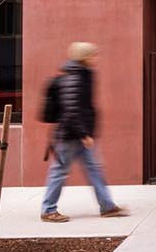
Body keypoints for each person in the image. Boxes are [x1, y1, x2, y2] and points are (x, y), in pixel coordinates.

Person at [39, 41, 128, 223]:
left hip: (80, 135)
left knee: (94, 170)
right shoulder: (75, 78)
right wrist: (83, 135)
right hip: (71, 136)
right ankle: (48, 210)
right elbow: (71, 110)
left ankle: (107, 206)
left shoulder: (83, 75)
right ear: (84, 57)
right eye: (93, 55)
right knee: (59, 172)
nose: (97, 58)